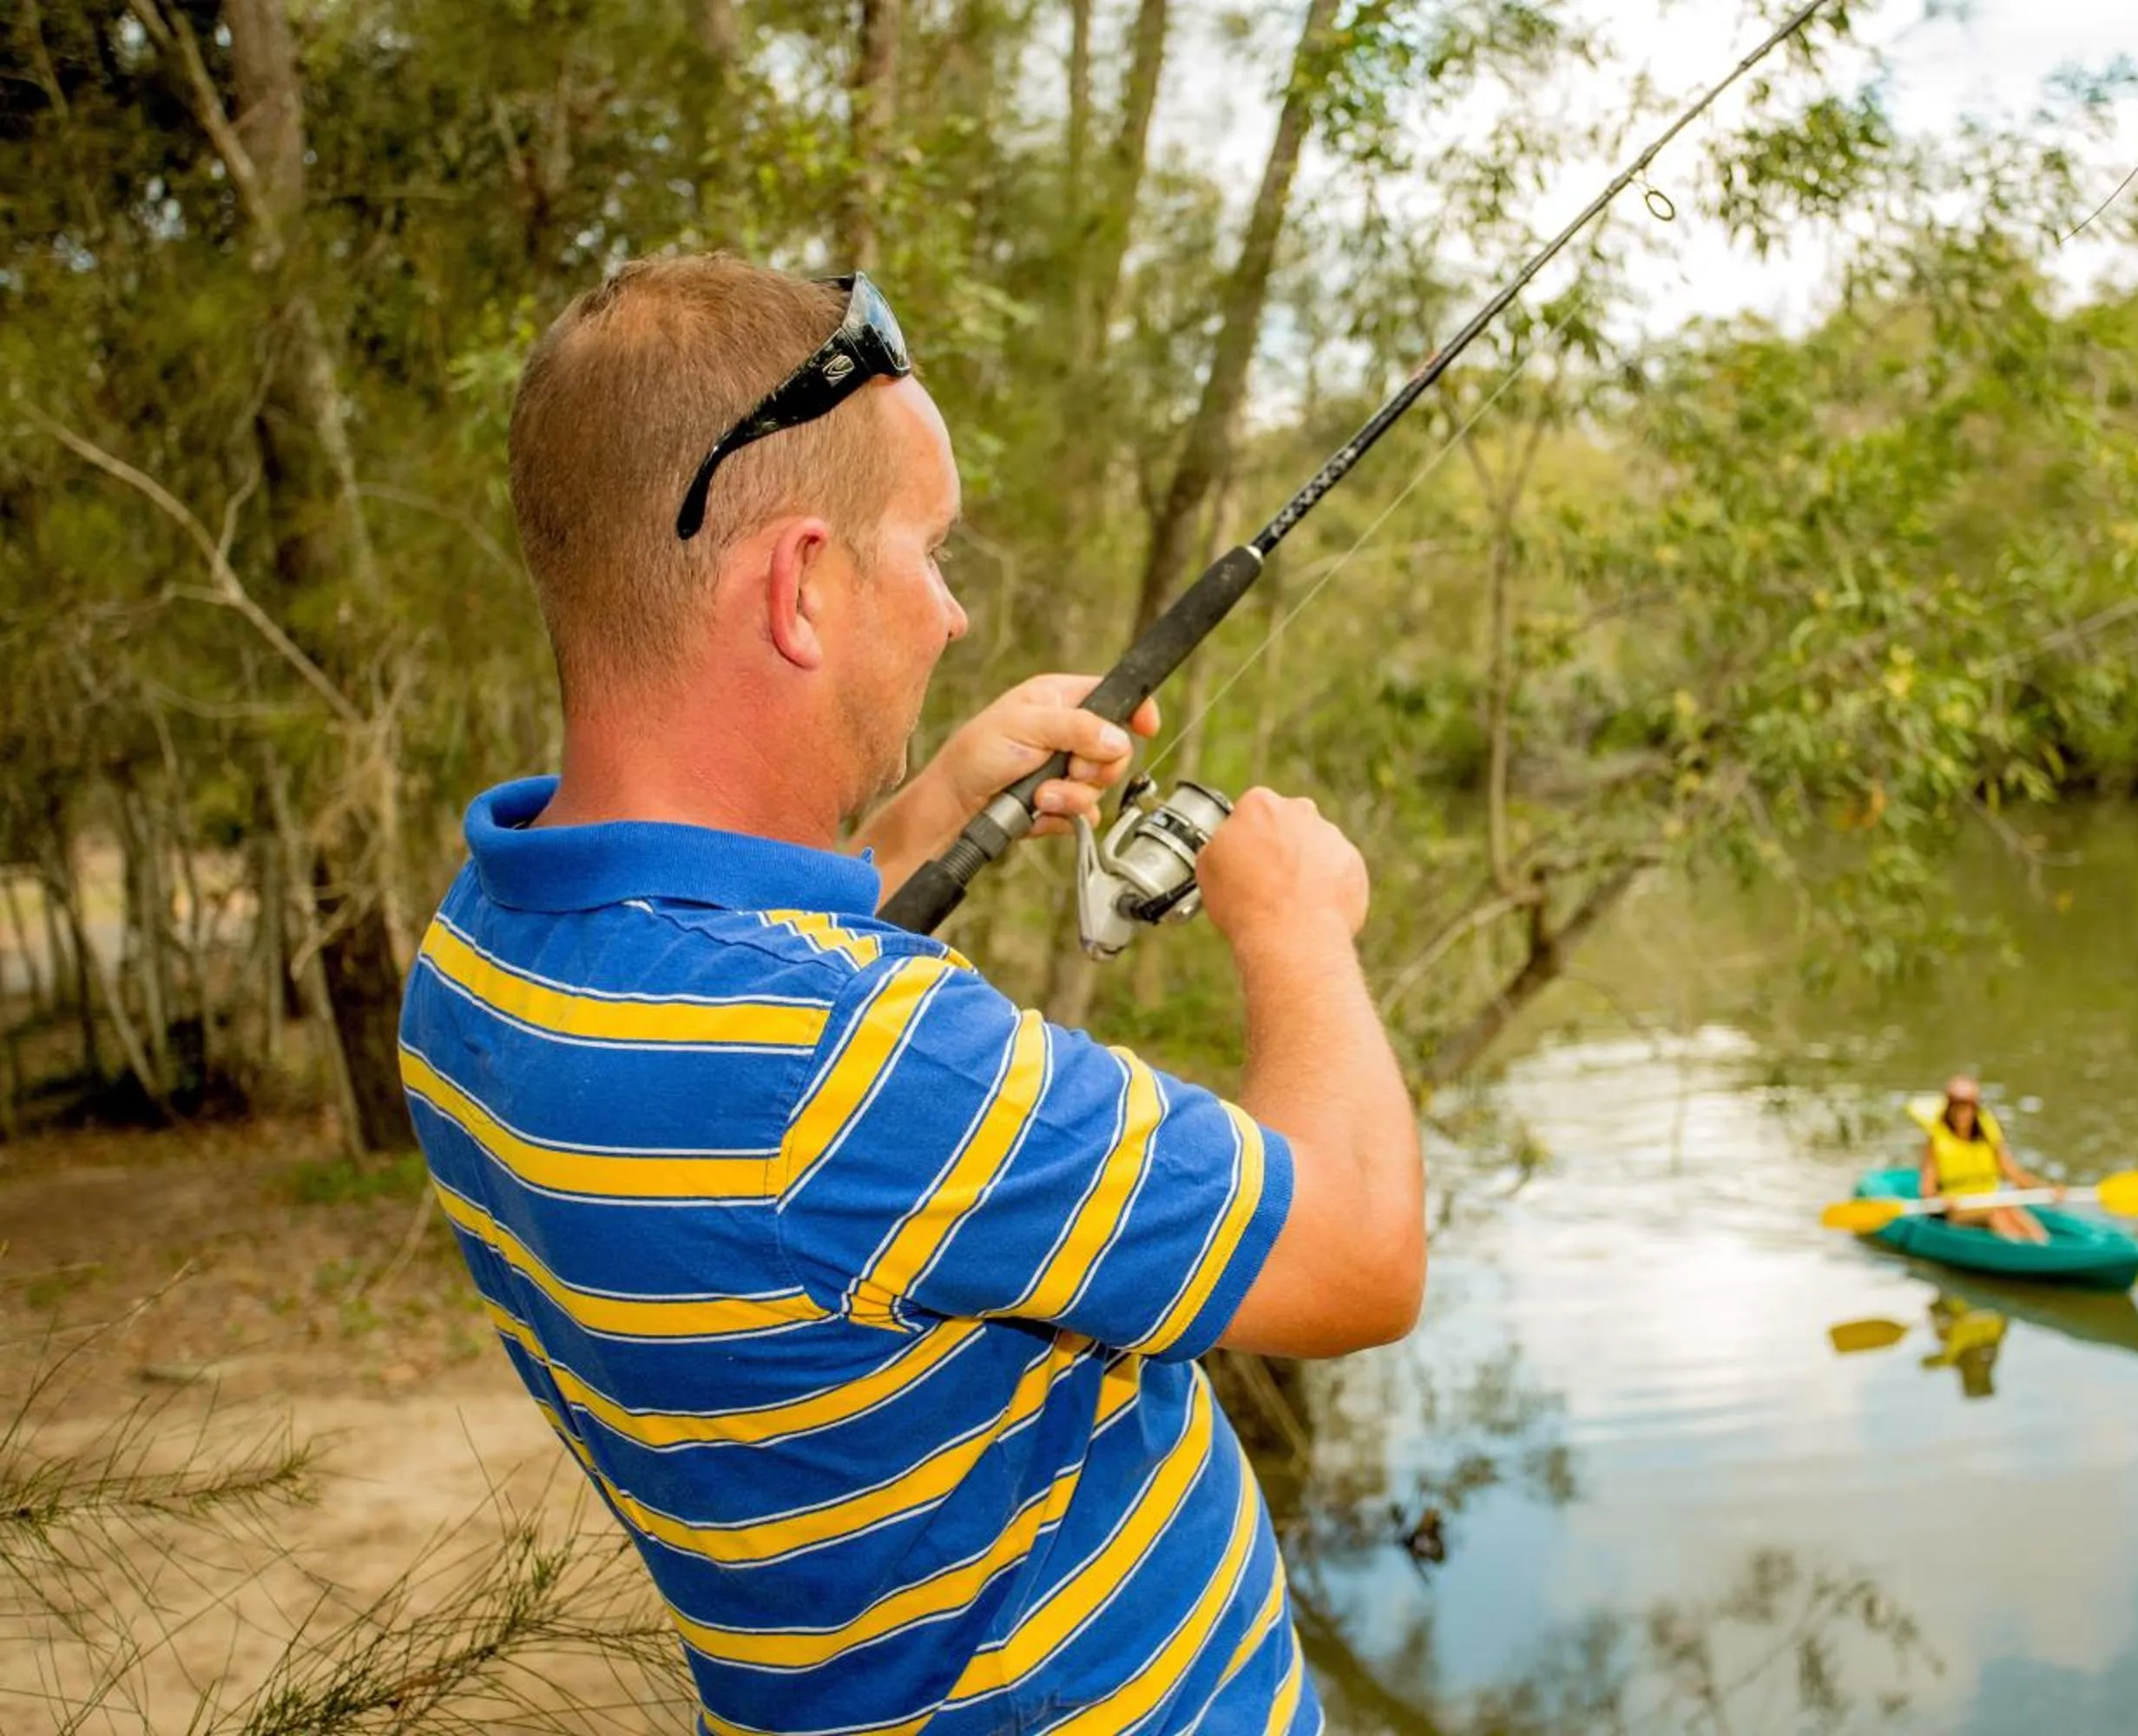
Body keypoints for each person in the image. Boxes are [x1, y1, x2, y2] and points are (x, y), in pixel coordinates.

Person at [396, 255, 1424, 1736]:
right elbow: (1362, 1253)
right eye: (929, 553)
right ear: (803, 585)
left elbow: (720, 1046)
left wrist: (925, 815)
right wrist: (1299, 927)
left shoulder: (482, 959)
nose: (949, 617)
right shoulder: (851, 1068)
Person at [1916, 1075, 2055, 1244]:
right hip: (1958, 1209)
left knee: (2008, 1208)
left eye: (1967, 1107)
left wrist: (2046, 1190)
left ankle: (2043, 1244)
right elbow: (1927, 1191)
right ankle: (2019, 1250)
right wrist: (1942, 1200)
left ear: (1975, 1109)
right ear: (1949, 1109)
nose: (1961, 1114)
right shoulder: (1936, 1142)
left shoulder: (1988, 1135)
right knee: (1995, 1212)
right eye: (1956, 1107)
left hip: (1989, 1199)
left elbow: (2014, 1174)